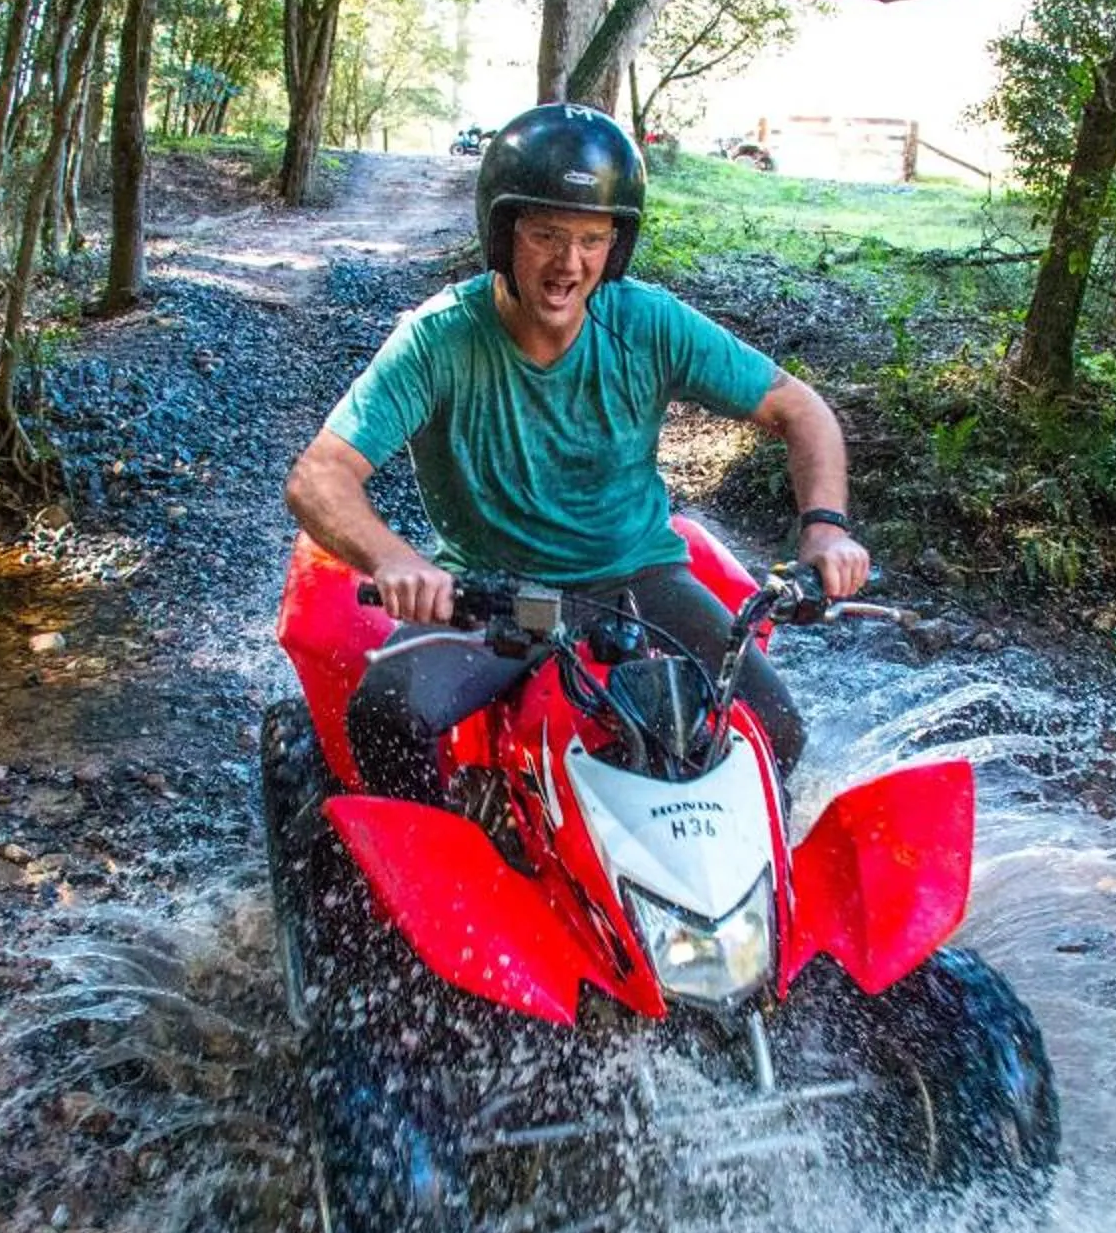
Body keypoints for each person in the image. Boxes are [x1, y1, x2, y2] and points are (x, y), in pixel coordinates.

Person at [284, 102, 871, 804]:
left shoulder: (648, 323)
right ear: (503, 233)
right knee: (387, 714)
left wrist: (826, 529)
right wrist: (395, 560)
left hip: (640, 580)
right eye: (547, 235)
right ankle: (431, 852)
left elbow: (800, 409)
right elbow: (319, 476)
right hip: (493, 590)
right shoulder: (438, 340)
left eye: (593, 239)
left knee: (777, 730)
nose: (570, 264)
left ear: (616, 246)